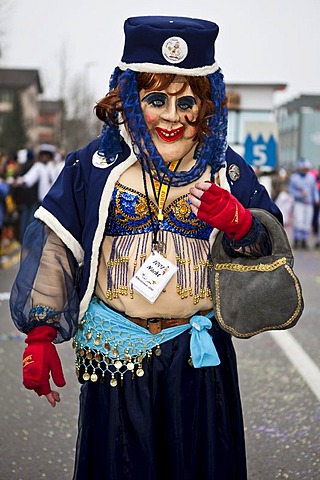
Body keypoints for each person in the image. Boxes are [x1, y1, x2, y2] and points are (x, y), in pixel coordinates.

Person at [10, 16, 283, 480]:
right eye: (157, 100)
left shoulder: (228, 171)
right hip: (115, 357)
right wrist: (40, 333)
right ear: (130, 100)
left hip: (198, 357)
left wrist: (240, 223)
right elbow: (56, 246)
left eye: (186, 101)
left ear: (206, 105)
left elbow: (271, 254)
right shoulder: (91, 166)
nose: (173, 116)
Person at [288, 157, 319, 249]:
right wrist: (299, 195)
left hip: (309, 203)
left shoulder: (311, 178)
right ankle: (297, 239)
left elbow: (314, 190)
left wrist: (316, 199)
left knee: (307, 222)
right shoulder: (294, 178)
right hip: (299, 202)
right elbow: (290, 190)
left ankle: (304, 240)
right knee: (299, 221)